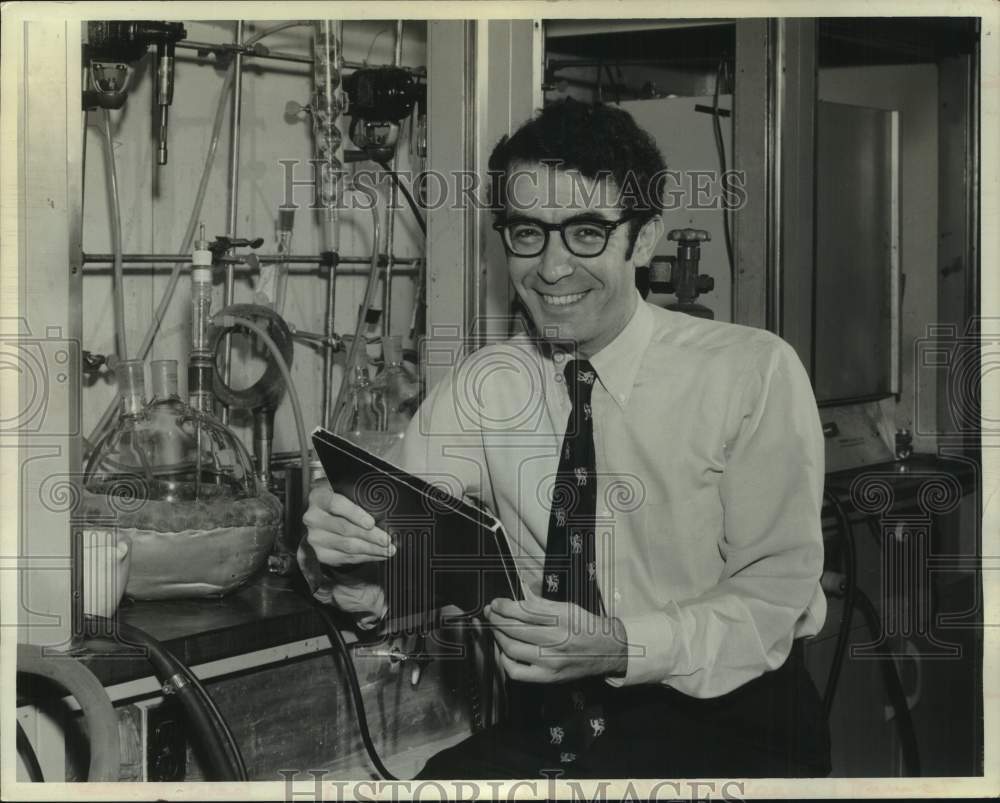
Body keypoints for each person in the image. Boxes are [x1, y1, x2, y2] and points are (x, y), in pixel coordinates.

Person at [301, 99, 831, 779]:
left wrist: (619, 646)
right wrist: (346, 548)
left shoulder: (749, 372)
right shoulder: (485, 386)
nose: (551, 269)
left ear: (643, 240)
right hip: (556, 727)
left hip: (733, 727)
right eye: (527, 233)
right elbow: (398, 557)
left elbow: (772, 603)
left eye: (585, 233)